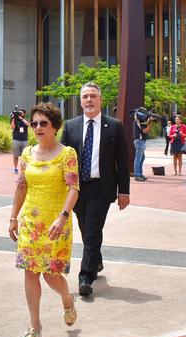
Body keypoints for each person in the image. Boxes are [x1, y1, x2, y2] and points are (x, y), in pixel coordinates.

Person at [8, 102, 79, 337]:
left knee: (51, 277)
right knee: (30, 273)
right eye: (35, 123)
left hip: (56, 224)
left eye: (43, 123)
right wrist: (13, 217)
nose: (37, 127)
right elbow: (21, 186)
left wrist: (63, 216)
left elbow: (73, 188)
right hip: (30, 223)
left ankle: (67, 298)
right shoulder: (27, 154)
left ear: (55, 127)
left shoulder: (67, 153)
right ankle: (35, 327)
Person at [60, 82, 130, 297]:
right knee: (86, 229)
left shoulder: (114, 126)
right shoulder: (70, 126)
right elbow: (61, 159)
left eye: (93, 96)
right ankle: (96, 260)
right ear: (80, 101)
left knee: (91, 230)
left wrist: (124, 192)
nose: (89, 100)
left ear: (100, 100)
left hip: (102, 188)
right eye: (85, 97)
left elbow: (122, 161)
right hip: (76, 190)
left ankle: (85, 276)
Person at [132, 109, 154, 182]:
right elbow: (145, 131)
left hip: (139, 141)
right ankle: (137, 175)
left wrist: (149, 121)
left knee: (141, 158)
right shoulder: (139, 122)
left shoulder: (137, 121)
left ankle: (140, 174)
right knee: (138, 158)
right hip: (140, 141)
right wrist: (150, 124)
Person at [10, 107, 30, 174]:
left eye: (22, 113)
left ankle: (23, 170)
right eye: (19, 113)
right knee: (15, 156)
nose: (20, 114)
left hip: (24, 140)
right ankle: (15, 168)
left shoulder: (25, 119)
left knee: (24, 156)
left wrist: (21, 119)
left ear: (24, 114)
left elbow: (28, 124)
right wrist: (13, 118)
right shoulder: (15, 120)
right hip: (16, 140)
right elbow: (12, 127)